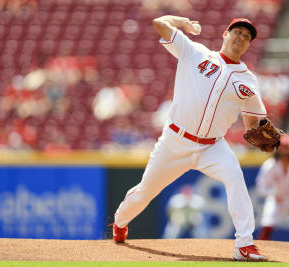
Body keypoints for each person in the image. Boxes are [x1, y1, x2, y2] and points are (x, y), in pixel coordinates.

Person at [112, 15, 271, 261]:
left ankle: (244, 244)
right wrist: (184, 23)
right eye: (237, 32)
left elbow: (253, 123)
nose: (242, 38)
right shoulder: (195, 53)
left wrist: (261, 132)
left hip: (213, 147)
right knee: (145, 192)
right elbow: (159, 24)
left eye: (247, 36)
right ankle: (120, 222)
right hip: (175, 141)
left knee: (235, 178)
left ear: (249, 45)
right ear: (225, 34)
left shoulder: (248, 80)